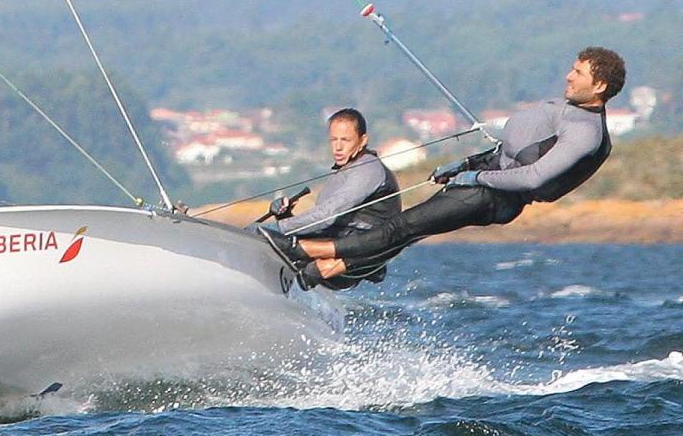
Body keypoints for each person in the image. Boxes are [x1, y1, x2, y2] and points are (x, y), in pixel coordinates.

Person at [274, 47, 626, 290]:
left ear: (599, 86)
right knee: (408, 229)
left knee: (402, 225)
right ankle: (326, 269)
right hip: (485, 181)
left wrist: (477, 177)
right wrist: (467, 163)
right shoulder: (570, 106)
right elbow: (515, 151)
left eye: (577, 73)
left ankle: (299, 248)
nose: (568, 76)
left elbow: (534, 176)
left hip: (492, 197)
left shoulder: (586, 133)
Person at [259, 108, 400, 290]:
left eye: (345, 140)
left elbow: (328, 215)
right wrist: (284, 216)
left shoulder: (369, 169)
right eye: (334, 140)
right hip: (331, 249)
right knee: (277, 240)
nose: (338, 147)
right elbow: (325, 225)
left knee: (274, 238)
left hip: (353, 261)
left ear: (363, 140)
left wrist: (279, 228)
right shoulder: (344, 171)